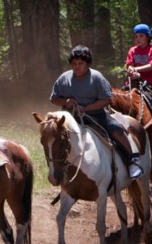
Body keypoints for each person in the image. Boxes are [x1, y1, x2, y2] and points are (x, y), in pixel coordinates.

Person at [51, 45, 143, 179]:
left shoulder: (96, 77)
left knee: (117, 130)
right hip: (71, 117)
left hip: (97, 115)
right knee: (54, 138)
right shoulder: (64, 78)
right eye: (74, 64)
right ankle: (57, 168)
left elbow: (107, 99)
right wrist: (65, 101)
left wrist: (87, 108)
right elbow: (54, 99)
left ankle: (133, 161)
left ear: (87, 63)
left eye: (81, 63)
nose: (77, 67)